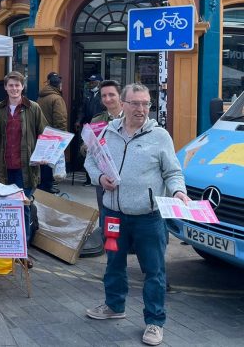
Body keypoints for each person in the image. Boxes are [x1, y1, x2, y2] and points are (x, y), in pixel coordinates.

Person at [84, 83, 190, 346]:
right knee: (113, 262)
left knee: (154, 271)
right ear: (124, 104)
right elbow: (91, 160)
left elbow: (173, 172)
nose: (141, 109)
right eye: (136, 103)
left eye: (146, 104)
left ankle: (154, 322)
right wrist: (99, 177)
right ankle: (114, 306)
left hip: (148, 218)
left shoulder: (160, 136)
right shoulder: (108, 131)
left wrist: (178, 192)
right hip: (113, 214)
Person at [0, 71, 47, 262]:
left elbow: (44, 134)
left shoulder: (33, 108)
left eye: (17, 85)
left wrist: (45, 155)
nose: (14, 88)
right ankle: (4, 250)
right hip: (4, 168)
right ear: (5, 87)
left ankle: (21, 251)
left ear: (23, 87)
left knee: (22, 208)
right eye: (10, 85)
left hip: (26, 169)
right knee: (3, 208)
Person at [87, 80, 122, 215]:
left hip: (126, 176)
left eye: (112, 95)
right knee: (105, 217)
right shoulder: (97, 121)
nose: (107, 99)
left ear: (120, 95)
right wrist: (87, 146)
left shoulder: (130, 118)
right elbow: (87, 152)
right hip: (104, 177)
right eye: (104, 96)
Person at [37, 72, 67, 194]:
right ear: (59, 85)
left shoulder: (41, 97)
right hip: (54, 135)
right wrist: (63, 137)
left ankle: (43, 185)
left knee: (43, 162)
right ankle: (47, 186)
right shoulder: (57, 98)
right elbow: (60, 119)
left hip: (42, 134)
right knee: (50, 162)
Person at [77, 74, 105, 185]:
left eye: (93, 82)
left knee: (99, 152)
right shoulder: (87, 94)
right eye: (90, 82)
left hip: (100, 126)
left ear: (99, 83)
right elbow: (82, 110)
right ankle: (88, 179)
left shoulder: (103, 95)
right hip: (88, 126)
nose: (91, 84)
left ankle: (100, 178)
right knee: (88, 151)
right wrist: (78, 120)